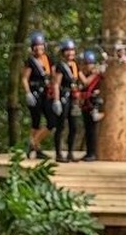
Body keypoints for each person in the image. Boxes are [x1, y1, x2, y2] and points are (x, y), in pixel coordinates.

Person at [21, 31, 58, 159]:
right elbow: (25, 78)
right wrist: (28, 93)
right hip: (35, 94)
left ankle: (33, 142)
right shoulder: (30, 61)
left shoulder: (48, 59)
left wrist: (55, 92)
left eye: (41, 46)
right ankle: (36, 149)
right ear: (32, 47)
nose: (38, 48)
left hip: (47, 93)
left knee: (52, 121)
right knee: (35, 121)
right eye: (36, 46)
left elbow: (53, 76)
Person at [52, 38, 81, 163]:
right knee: (61, 125)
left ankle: (70, 152)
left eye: (72, 51)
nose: (70, 53)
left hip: (73, 98)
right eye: (67, 51)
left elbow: (80, 80)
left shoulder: (74, 65)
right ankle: (59, 153)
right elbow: (56, 84)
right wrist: (56, 100)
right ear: (63, 52)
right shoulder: (61, 66)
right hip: (64, 96)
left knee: (73, 126)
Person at [78, 49, 106, 162]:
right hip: (86, 103)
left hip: (94, 104)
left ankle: (92, 153)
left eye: (86, 64)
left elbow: (86, 82)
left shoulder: (96, 73)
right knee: (88, 129)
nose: (84, 66)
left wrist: (77, 72)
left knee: (92, 129)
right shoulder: (89, 73)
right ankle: (89, 152)